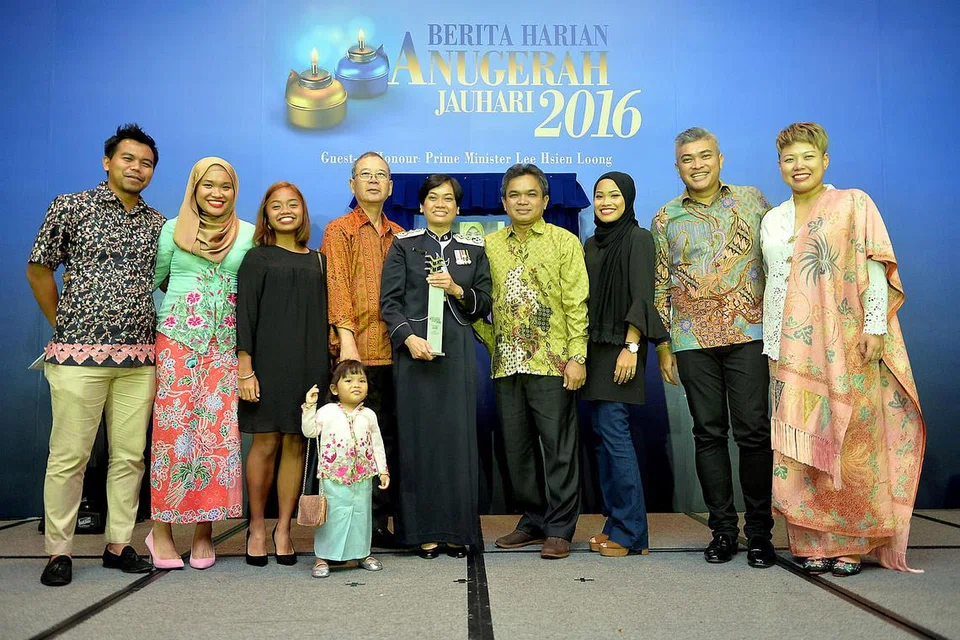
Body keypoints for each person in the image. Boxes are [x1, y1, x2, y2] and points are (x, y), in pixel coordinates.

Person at [761, 122, 926, 576]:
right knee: (800, 446)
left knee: (850, 442)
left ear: (825, 160)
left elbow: (874, 267)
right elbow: (775, 284)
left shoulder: (853, 204)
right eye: (790, 159)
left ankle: (850, 544)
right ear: (779, 166)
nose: (799, 166)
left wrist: (875, 326)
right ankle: (812, 542)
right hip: (788, 350)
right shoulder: (772, 219)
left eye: (807, 157)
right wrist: (773, 343)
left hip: (848, 344)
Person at [27, 124, 163, 586]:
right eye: (128, 159)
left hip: (140, 361)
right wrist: (63, 324)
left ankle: (119, 542)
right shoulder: (71, 206)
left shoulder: (158, 224)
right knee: (69, 457)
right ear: (108, 162)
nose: (137, 168)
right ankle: (58, 551)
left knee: (129, 456)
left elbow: (173, 283)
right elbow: (39, 269)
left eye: (146, 163)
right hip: (76, 356)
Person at [651, 127, 776, 568]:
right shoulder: (665, 218)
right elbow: (660, 287)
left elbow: (779, 259)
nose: (697, 164)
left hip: (749, 335)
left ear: (720, 158)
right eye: (688, 158)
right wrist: (664, 347)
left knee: (755, 433)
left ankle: (760, 533)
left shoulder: (753, 201)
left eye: (705, 156)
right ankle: (724, 530)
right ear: (677, 166)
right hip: (690, 341)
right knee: (707, 434)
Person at [147, 157, 255, 569]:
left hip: (224, 345)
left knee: (215, 437)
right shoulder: (172, 230)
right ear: (194, 188)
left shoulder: (247, 234)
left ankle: (204, 530)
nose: (216, 193)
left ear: (235, 191)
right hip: (177, 340)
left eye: (225, 186)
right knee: (172, 436)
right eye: (207, 185)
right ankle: (160, 531)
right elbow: (160, 277)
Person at [479, 163, 589, 560]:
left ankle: (560, 527)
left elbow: (576, 303)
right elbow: (479, 303)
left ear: (544, 200)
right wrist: (493, 342)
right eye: (514, 195)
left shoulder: (564, 242)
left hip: (553, 363)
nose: (522, 201)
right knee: (516, 450)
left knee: (558, 449)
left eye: (530, 194)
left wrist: (577, 356)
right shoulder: (489, 246)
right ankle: (533, 519)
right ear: (503, 201)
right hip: (506, 363)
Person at [380, 174, 492, 558]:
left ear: (458, 208)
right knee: (418, 442)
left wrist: (457, 289)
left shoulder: (473, 250)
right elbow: (389, 302)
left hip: (457, 355)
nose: (440, 204)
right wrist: (408, 339)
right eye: (433, 198)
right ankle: (422, 532)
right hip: (414, 354)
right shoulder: (403, 245)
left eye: (448, 198)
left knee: (457, 443)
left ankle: (458, 531)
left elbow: (484, 302)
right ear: (422, 206)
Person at [236, 181, 329, 566]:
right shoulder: (257, 258)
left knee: (296, 443)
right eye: (277, 205)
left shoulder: (319, 259)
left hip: (309, 363)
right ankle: (257, 526)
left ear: (303, 212)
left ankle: (284, 529)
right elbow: (244, 315)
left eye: (293, 204)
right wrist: (246, 368)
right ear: (267, 214)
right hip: (267, 365)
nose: (285, 210)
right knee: (265, 444)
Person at [581, 172, 668, 557]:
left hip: (623, 349)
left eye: (614, 195)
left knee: (615, 436)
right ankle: (615, 522)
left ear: (628, 198)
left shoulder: (639, 238)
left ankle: (633, 534)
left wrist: (631, 348)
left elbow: (642, 298)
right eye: (600, 195)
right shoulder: (591, 244)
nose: (606, 202)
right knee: (602, 438)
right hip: (595, 349)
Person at [321, 152, 404, 548]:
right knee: (350, 443)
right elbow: (336, 284)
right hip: (356, 357)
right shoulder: (340, 230)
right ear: (351, 185)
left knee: (384, 439)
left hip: (396, 354)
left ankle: (381, 523)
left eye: (381, 176)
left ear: (390, 187)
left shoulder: (402, 235)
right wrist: (347, 345)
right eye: (364, 175)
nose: (373, 181)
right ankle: (353, 525)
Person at [301, 360, 390, 578]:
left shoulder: (369, 414)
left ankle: (362, 553)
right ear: (334, 388)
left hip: (362, 475)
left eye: (361, 380)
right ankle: (323, 557)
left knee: (361, 515)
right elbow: (309, 431)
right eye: (348, 380)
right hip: (334, 475)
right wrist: (309, 407)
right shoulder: (327, 411)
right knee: (333, 516)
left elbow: (377, 443)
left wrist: (382, 470)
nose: (356, 385)